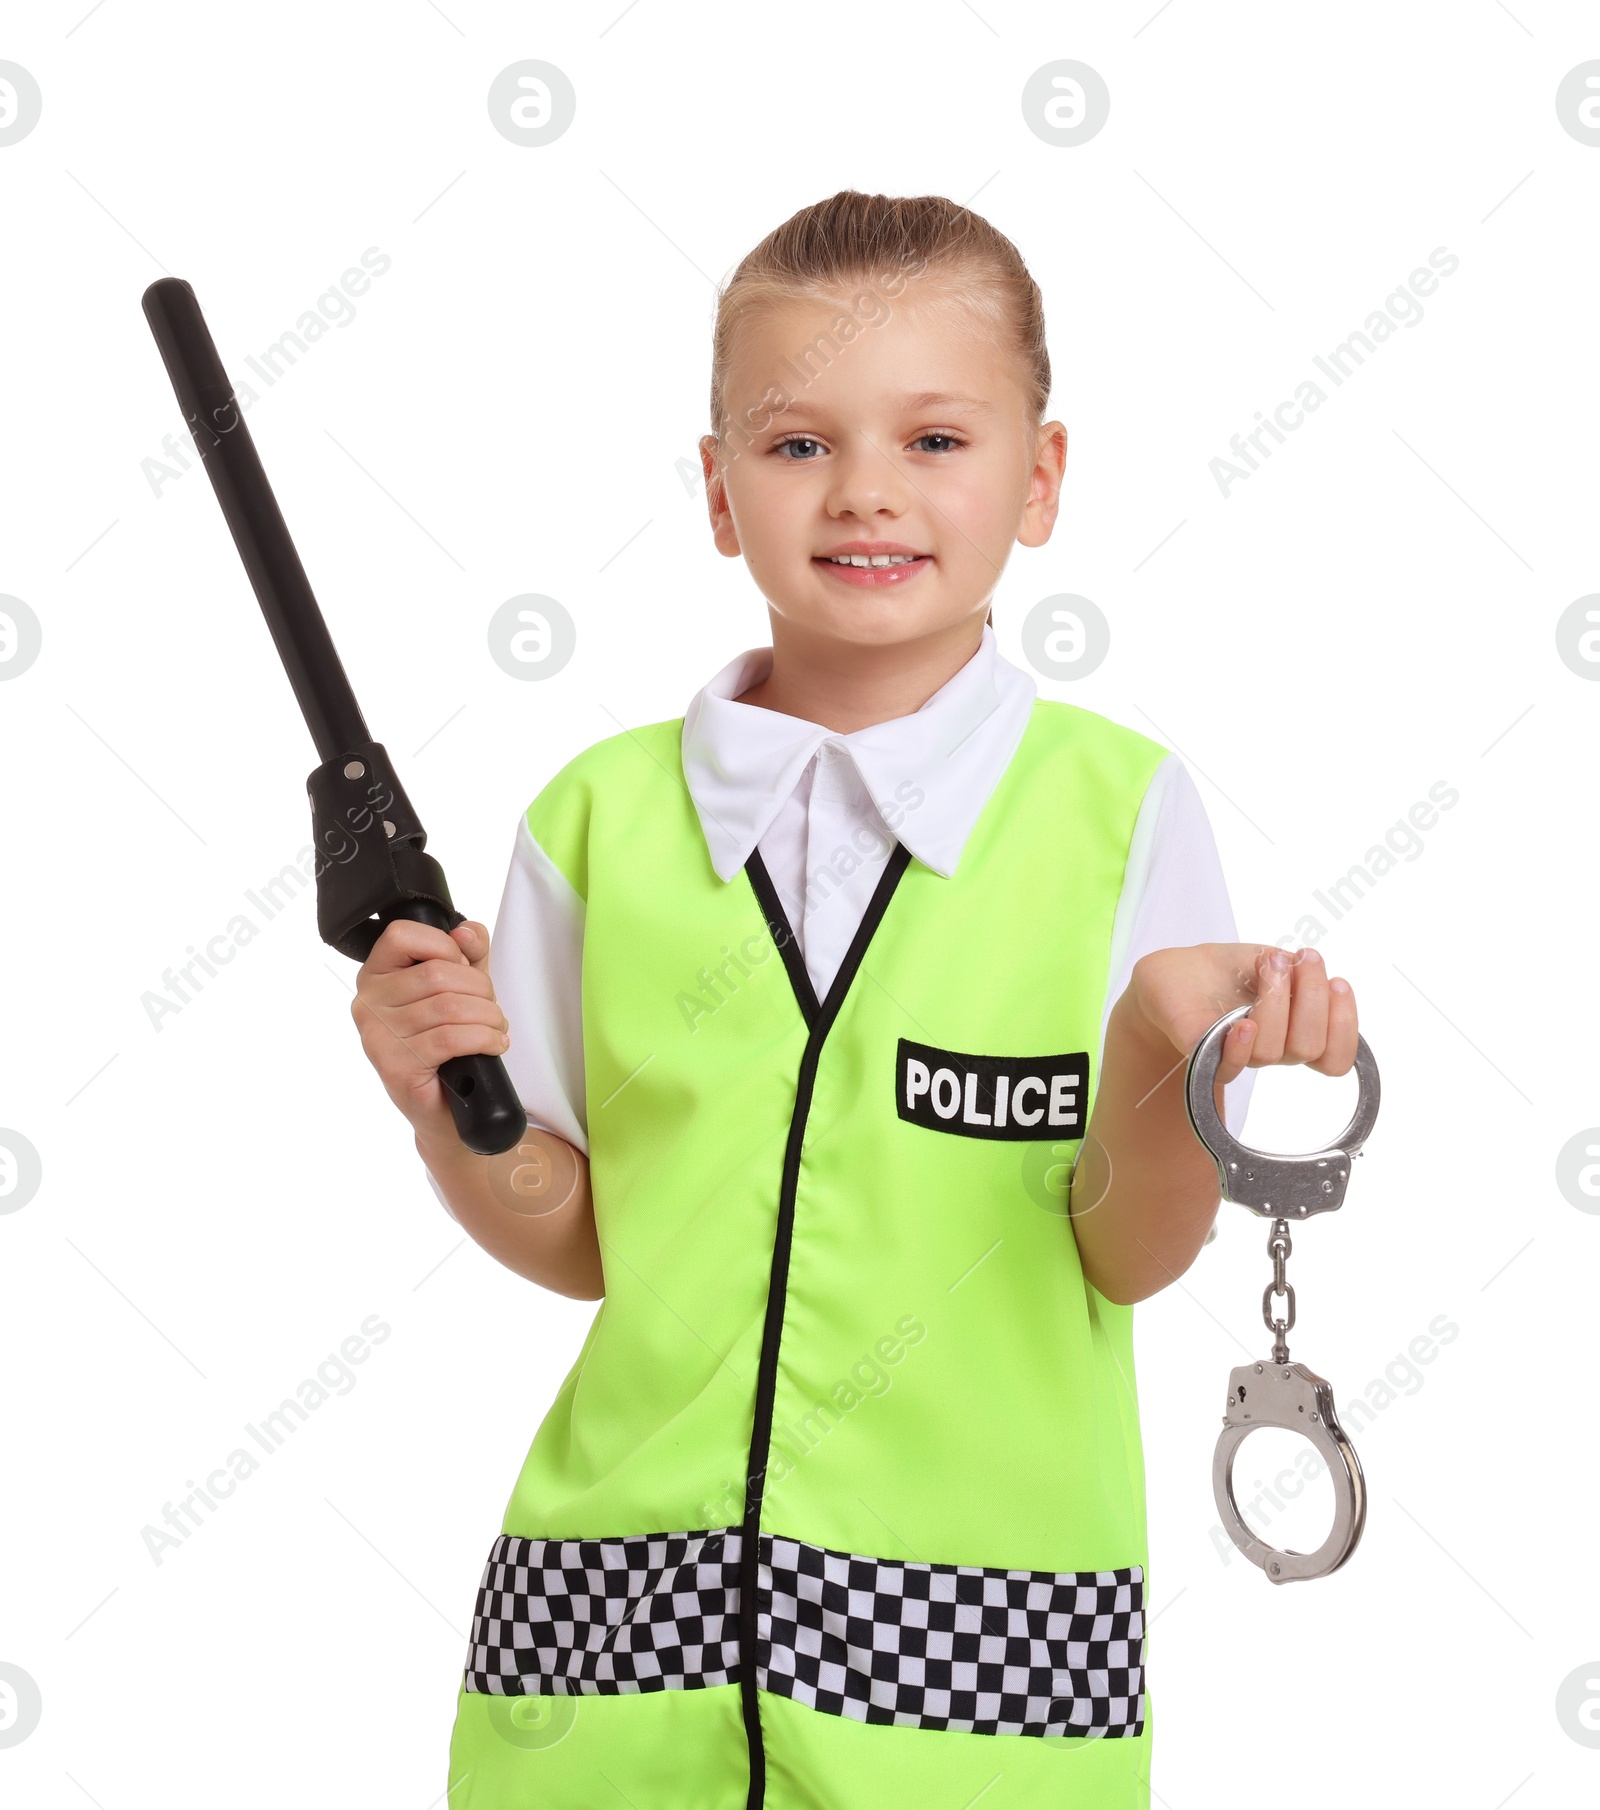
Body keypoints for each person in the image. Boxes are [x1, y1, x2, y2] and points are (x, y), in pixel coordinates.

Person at [351, 190, 1360, 1810]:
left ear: (1039, 481)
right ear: (716, 489)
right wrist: (440, 1109)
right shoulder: (597, 822)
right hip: (601, 1685)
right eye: (797, 442)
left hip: (978, 1711)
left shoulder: (1117, 816)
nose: (867, 489)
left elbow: (1126, 1247)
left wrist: (1151, 1055)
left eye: (938, 439)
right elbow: (579, 1235)